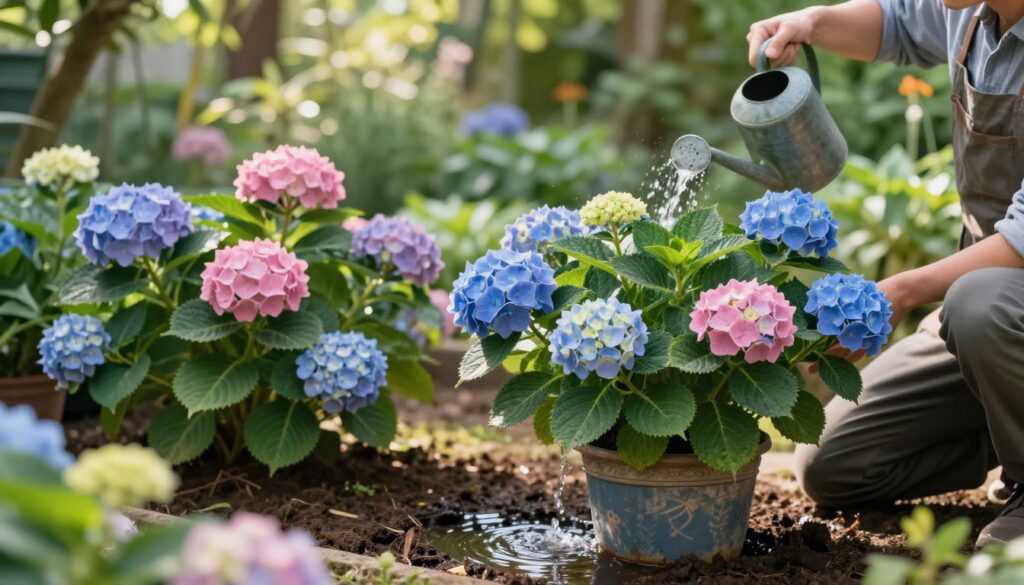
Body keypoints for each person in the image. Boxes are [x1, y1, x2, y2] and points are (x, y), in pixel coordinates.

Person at [746, 0, 1024, 546]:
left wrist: (899, 290)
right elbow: (896, 23)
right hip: (995, 315)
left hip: (995, 303)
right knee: (834, 467)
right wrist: (811, 23)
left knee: (976, 304)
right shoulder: (973, 11)